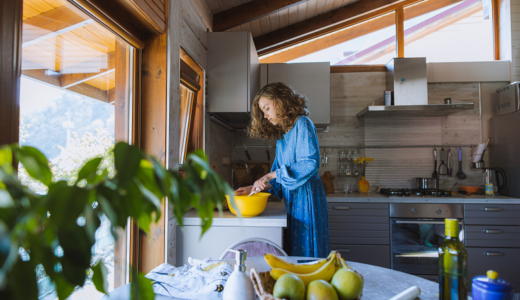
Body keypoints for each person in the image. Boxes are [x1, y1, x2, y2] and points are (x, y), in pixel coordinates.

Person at [235, 82, 330, 258]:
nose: (265, 116)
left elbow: (309, 163)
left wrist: (269, 175)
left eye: (267, 108)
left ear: (280, 101)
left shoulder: (303, 124)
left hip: (307, 200)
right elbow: (278, 179)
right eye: (262, 112)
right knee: (294, 251)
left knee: (308, 252)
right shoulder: (282, 138)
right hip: (292, 202)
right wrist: (254, 187)